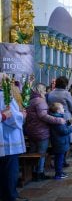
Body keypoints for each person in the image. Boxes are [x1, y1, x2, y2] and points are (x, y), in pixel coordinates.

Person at [24, 83, 66, 181]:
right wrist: (58, 120)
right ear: (41, 91)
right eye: (44, 90)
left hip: (31, 130)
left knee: (33, 151)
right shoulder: (40, 101)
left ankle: (32, 172)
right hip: (41, 131)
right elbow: (43, 116)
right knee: (41, 153)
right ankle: (40, 173)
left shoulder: (31, 100)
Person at [0, 73, 28, 201]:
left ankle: (10, 194)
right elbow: (10, 116)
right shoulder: (4, 96)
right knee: (10, 170)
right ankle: (10, 196)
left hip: (6, 136)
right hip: (8, 138)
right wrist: (22, 115)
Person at [47, 76, 72, 167]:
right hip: (65, 117)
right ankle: (62, 161)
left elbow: (49, 106)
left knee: (57, 140)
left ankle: (58, 161)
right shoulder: (66, 93)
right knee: (66, 140)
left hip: (52, 117)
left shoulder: (51, 93)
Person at [48, 102, 72, 180]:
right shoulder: (58, 120)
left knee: (60, 158)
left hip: (60, 142)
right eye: (62, 108)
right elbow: (63, 131)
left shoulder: (58, 118)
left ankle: (60, 172)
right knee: (59, 159)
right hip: (59, 142)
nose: (63, 109)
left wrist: (68, 122)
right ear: (58, 111)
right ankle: (58, 174)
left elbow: (63, 127)